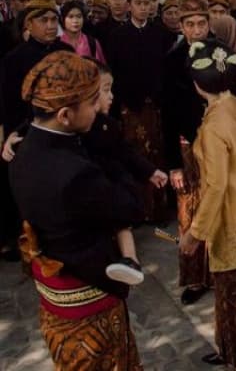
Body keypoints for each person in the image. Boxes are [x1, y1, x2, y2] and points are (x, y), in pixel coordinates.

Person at [9, 51, 145, 369]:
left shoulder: (23, 150)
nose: (98, 108)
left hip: (53, 294)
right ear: (66, 115)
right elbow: (132, 207)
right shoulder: (73, 172)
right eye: (92, 102)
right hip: (90, 295)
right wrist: (117, 169)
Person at [179, 39, 236, 371]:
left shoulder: (215, 125)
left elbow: (215, 187)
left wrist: (195, 233)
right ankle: (231, 350)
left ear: (198, 85)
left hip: (232, 220)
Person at [0, 0, 72, 261]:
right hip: (30, 133)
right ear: (29, 24)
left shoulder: (66, 51)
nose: (51, 26)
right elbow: (10, 104)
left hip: (67, 130)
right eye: (44, 21)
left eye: (54, 20)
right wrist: (13, 136)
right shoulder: (15, 59)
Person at [106, 0, 174, 222]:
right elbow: (113, 72)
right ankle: (136, 210)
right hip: (130, 106)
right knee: (135, 154)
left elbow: (166, 69)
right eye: (138, 3)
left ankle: (158, 209)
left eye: (147, 3)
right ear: (129, 6)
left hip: (156, 104)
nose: (143, 8)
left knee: (158, 152)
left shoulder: (160, 33)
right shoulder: (117, 36)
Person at [162, 0, 214, 305]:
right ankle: (195, 277)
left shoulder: (223, 53)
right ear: (181, 27)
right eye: (190, 24)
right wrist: (174, 166)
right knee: (191, 212)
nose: (196, 30)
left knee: (221, 208)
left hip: (219, 144)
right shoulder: (171, 61)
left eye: (201, 23)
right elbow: (167, 116)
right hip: (188, 147)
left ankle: (220, 270)